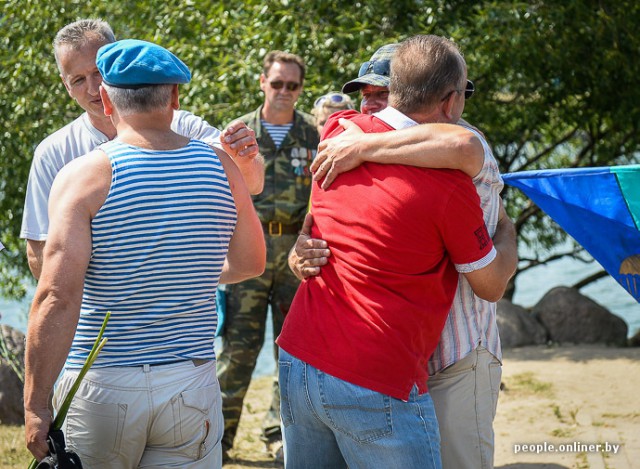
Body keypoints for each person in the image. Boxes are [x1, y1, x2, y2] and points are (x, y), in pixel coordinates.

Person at [277, 34, 518, 468]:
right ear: (447, 99)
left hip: (454, 356)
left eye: (381, 95)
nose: (370, 107)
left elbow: (464, 147)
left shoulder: (350, 140)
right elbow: (326, 221)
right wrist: (301, 252)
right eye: (364, 96)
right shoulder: (341, 136)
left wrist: (364, 146)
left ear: (403, 95)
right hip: (381, 364)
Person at [23, 39, 265, 468]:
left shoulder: (83, 176)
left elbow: (57, 296)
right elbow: (250, 263)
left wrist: (35, 404)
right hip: (192, 380)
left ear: (106, 98)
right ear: (174, 95)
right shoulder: (222, 166)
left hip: (104, 384)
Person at [20, 19, 264, 280]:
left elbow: (252, 184)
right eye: (78, 79)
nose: (92, 89)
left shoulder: (182, 125)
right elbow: (39, 250)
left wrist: (245, 158)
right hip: (100, 316)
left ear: (119, 66)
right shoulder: (53, 152)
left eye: (98, 73)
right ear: (65, 85)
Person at [216, 50, 319, 463]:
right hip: (248, 254)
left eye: (292, 86)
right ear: (262, 82)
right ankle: (218, 440)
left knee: (291, 353)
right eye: (277, 83)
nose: (284, 92)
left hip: (296, 256)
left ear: (300, 89)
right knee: (237, 351)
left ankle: (280, 436)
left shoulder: (316, 136)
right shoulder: (239, 134)